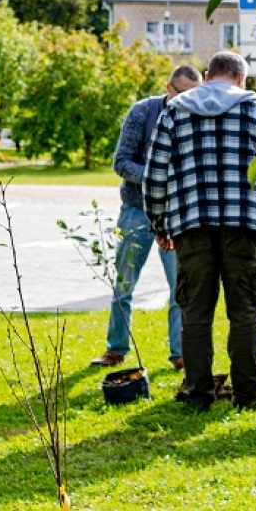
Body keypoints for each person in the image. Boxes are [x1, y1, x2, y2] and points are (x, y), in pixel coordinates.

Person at [143, 52, 256, 410]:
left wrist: (160, 224)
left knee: (195, 315)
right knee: (244, 315)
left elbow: (155, 175)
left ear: (208, 75)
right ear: (242, 78)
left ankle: (198, 395)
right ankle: (247, 396)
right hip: (244, 226)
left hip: (190, 225)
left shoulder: (174, 111)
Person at [91, 65, 201, 371]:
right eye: (184, 94)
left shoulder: (197, 117)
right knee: (124, 283)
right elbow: (121, 162)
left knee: (180, 287)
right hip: (136, 210)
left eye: (195, 94)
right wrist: (156, 177)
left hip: (176, 214)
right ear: (169, 88)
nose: (190, 100)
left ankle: (180, 354)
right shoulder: (143, 112)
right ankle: (116, 349)